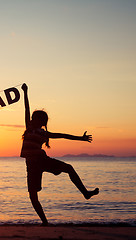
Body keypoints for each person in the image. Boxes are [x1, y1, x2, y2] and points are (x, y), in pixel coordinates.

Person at [20, 83, 99, 226]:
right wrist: (25, 92)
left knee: (69, 168)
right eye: (34, 118)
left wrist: (80, 138)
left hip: (42, 160)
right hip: (32, 165)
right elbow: (26, 108)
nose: (34, 120)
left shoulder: (44, 134)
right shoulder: (29, 128)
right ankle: (45, 222)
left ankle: (86, 193)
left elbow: (63, 135)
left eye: (39, 119)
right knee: (33, 195)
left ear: (42, 122)